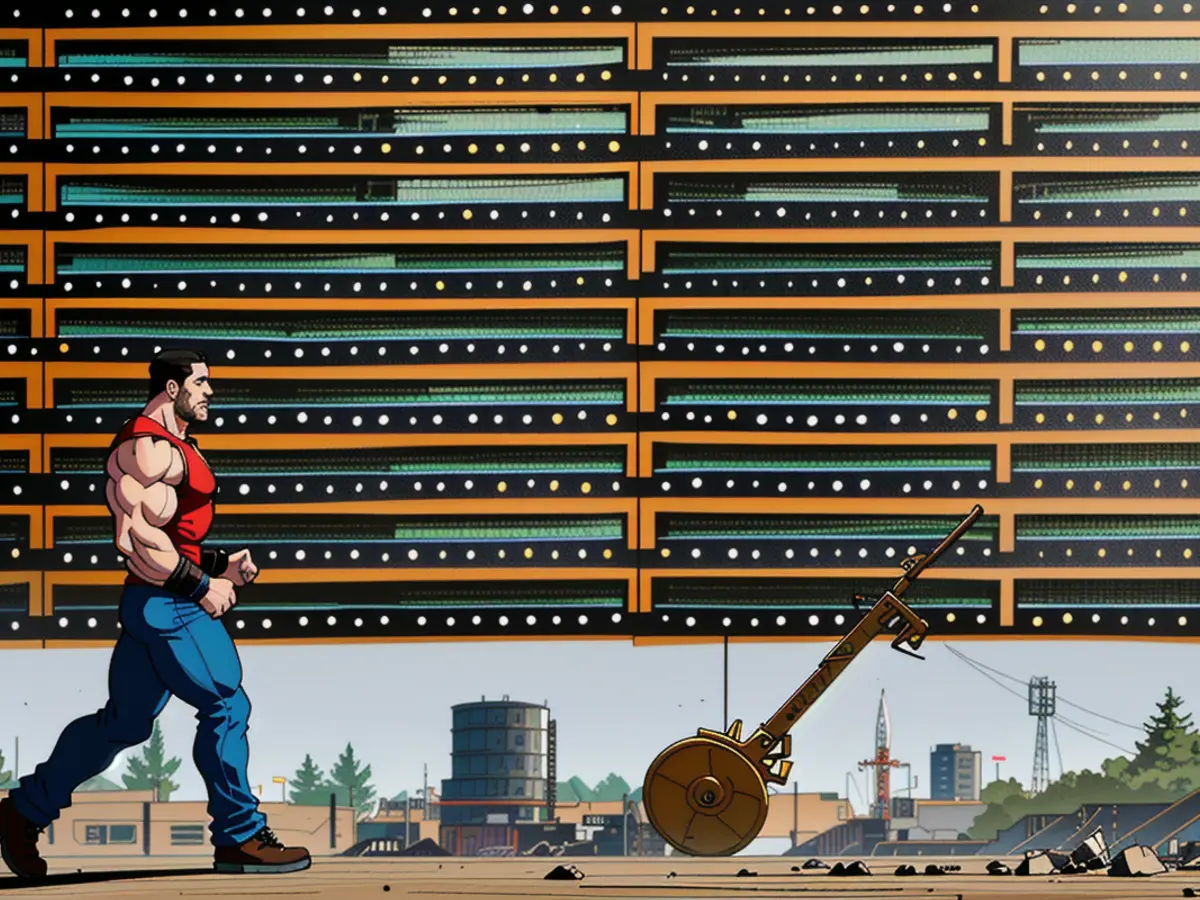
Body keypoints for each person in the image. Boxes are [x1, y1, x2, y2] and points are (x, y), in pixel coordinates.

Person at [0, 349, 311, 878]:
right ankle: (238, 837)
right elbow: (136, 535)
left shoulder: (172, 448)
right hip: (169, 605)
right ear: (172, 389)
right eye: (202, 383)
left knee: (123, 724)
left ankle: (20, 812)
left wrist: (217, 562)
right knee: (226, 706)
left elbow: (167, 534)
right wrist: (201, 585)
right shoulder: (150, 451)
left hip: (152, 601)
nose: (210, 392)